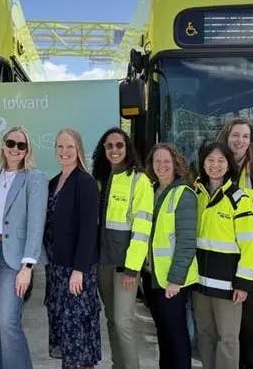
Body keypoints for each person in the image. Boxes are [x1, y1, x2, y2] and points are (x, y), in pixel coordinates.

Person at [0, 126, 48, 369]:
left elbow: (36, 224)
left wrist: (27, 266)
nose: (15, 149)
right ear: (3, 145)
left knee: (8, 322)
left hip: (15, 259)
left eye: (21, 145)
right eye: (11, 143)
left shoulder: (34, 178)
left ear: (27, 150)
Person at [217, 118, 253, 369]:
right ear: (226, 137)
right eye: (235, 135)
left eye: (245, 136)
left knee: (247, 316)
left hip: (246, 252)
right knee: (225, 316)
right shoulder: (217, 163)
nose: (239, 141)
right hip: (219, 251)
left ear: (250, 142)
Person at [91, 127, 153, 369]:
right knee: (111, 319)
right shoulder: (100, 179)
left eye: (119, 145)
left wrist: (132, 268)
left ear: (127, 148)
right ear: (103, 150)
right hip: (102, 262)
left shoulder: (139, 180)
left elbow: (142, 227)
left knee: (123, 320)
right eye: (110, 146)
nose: (114, 150)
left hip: (124, 266)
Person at [194, 141, 253, 369]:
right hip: (199, 282)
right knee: (204, 333)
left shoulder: (238, 198)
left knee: (228, 339)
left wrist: (243, 283)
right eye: (210, 160)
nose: (215, 165)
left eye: (221, 160)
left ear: (229, 165)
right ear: (202, 164)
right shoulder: (196, 193)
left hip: (228, 284)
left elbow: (251, 244)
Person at [43, 128, 101, 369]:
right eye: (60, 146)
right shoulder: (53, 182)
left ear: (78, 150)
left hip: (77, 272)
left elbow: (89, 230)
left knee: (78, 336)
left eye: (69, 146)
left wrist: (79, 270)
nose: (64, 151)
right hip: (56, 270)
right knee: (66, 335)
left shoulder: (85, 182)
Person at [142, 143, 198, 369]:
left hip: (172, 281)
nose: (162, 166)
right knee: (163, 335)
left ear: (176, 163)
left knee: (176, 337)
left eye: (167, 161)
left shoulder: (183, 194)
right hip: (153, 277)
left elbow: (186, 243)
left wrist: (175, 280)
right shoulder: (153, 191)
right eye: (157, 161)